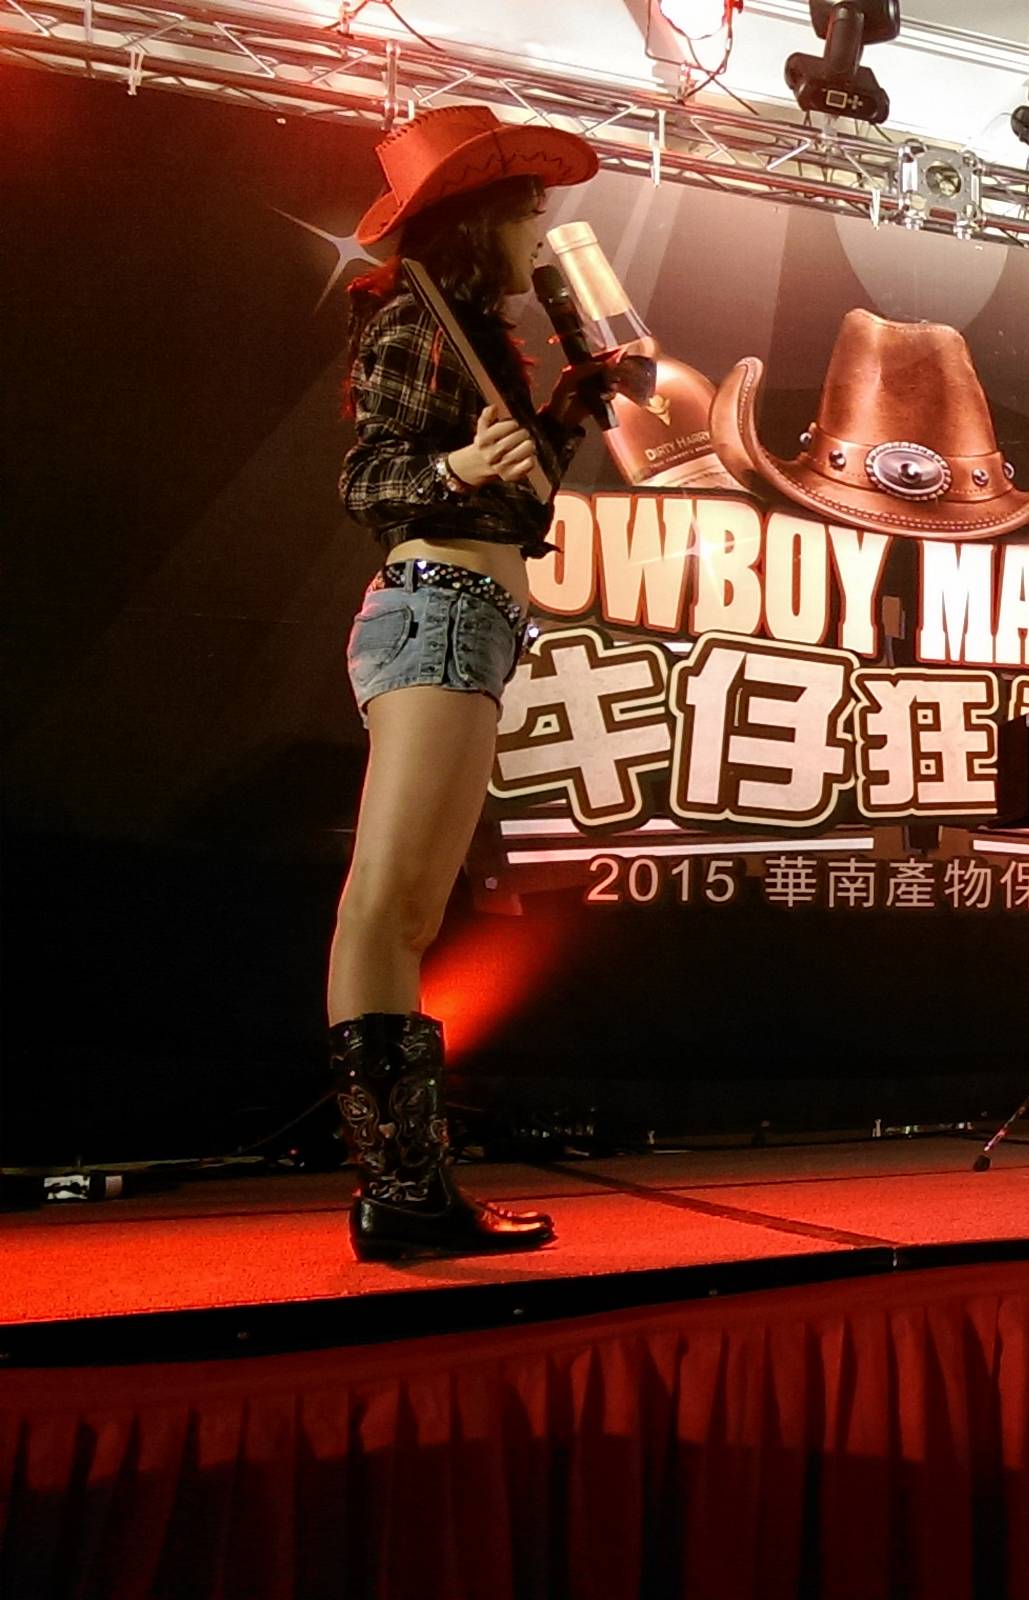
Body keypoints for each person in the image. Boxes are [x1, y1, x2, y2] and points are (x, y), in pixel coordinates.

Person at [328, 107, 623, 1259]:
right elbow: (369, 480)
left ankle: (408, 1188)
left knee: (406, 903)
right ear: (479, 219)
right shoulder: (412, 318)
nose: (541, 230)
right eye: (526, 211)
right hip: (438, 608)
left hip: (468, 615)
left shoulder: (474, 335)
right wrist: (453, 463)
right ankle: (401, 1190)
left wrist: (568, 409)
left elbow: (518, 495)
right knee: (389, 903)